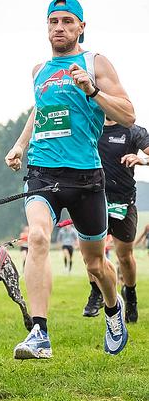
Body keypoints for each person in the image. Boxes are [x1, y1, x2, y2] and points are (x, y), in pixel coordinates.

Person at [5, 0, 135, 359]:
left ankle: (113, 308)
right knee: (39, 237)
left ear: (81, 27)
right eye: (53, 22)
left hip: (86, 178)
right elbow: (41, 111)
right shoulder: (39, 72)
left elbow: (127, 114)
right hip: (43, 172)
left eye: (67, 21)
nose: (59, 27)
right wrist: (20, 146)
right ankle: (39, 333)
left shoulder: (95, 63)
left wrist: (91, 90)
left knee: (95, 263)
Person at [83, 120, 149, 321]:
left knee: (125, 257)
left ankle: (131, 295)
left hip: (123, 202)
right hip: (93, 199)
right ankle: (96, 292)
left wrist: (142, 160)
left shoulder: (132, 130)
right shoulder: (89, 124)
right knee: (91, 256)